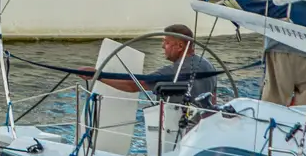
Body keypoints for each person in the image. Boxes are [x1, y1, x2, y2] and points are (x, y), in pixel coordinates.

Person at [88, 24, 217, 108]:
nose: (162, 46)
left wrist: (97, 76)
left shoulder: (174, 72)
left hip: (178, 130)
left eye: (166, 42)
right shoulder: (209, 65)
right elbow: (213, 100)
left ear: (180, 46)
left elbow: (133, 85)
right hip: (202, 128)